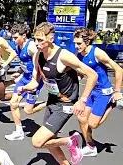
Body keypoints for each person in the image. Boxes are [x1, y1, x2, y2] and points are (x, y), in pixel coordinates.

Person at [19, 22, 98, 165]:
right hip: (52, 101)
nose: (36, 43)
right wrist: (24, 88)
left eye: (40, 40)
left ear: (51, 38)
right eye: (35, 39)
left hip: (65, 105)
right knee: (50, 141)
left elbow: (92, 75)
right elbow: (35, 82)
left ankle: (71, 141)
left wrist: (82, 100)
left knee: (37, 142)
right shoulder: (38, 55)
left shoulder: (64, 56)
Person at [74, 28, 123, 157]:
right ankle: (90, 146)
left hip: (104, 92)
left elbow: (118, 69)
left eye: (79, 43)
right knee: (81, 117)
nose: (76, 46)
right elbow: (80, 73)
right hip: (92, 91)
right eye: (75, 43)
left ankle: (111, 104)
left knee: (92, 124)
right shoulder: (79, 54)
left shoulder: (97, 53)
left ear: (87, 41)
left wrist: (117, 91)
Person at [4, 24, 46, 141]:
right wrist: (19, 71)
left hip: (34, 80)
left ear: (24, 36)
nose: (13, 40)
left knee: (28, 111)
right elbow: (24, 63)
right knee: (13, 103)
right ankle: (19, 131)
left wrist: (34, 82)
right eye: (12, 37)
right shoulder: (18, 46)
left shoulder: (31, 47)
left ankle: (49, 103)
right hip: (24, 78)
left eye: (16, 37)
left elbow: (37, 65)